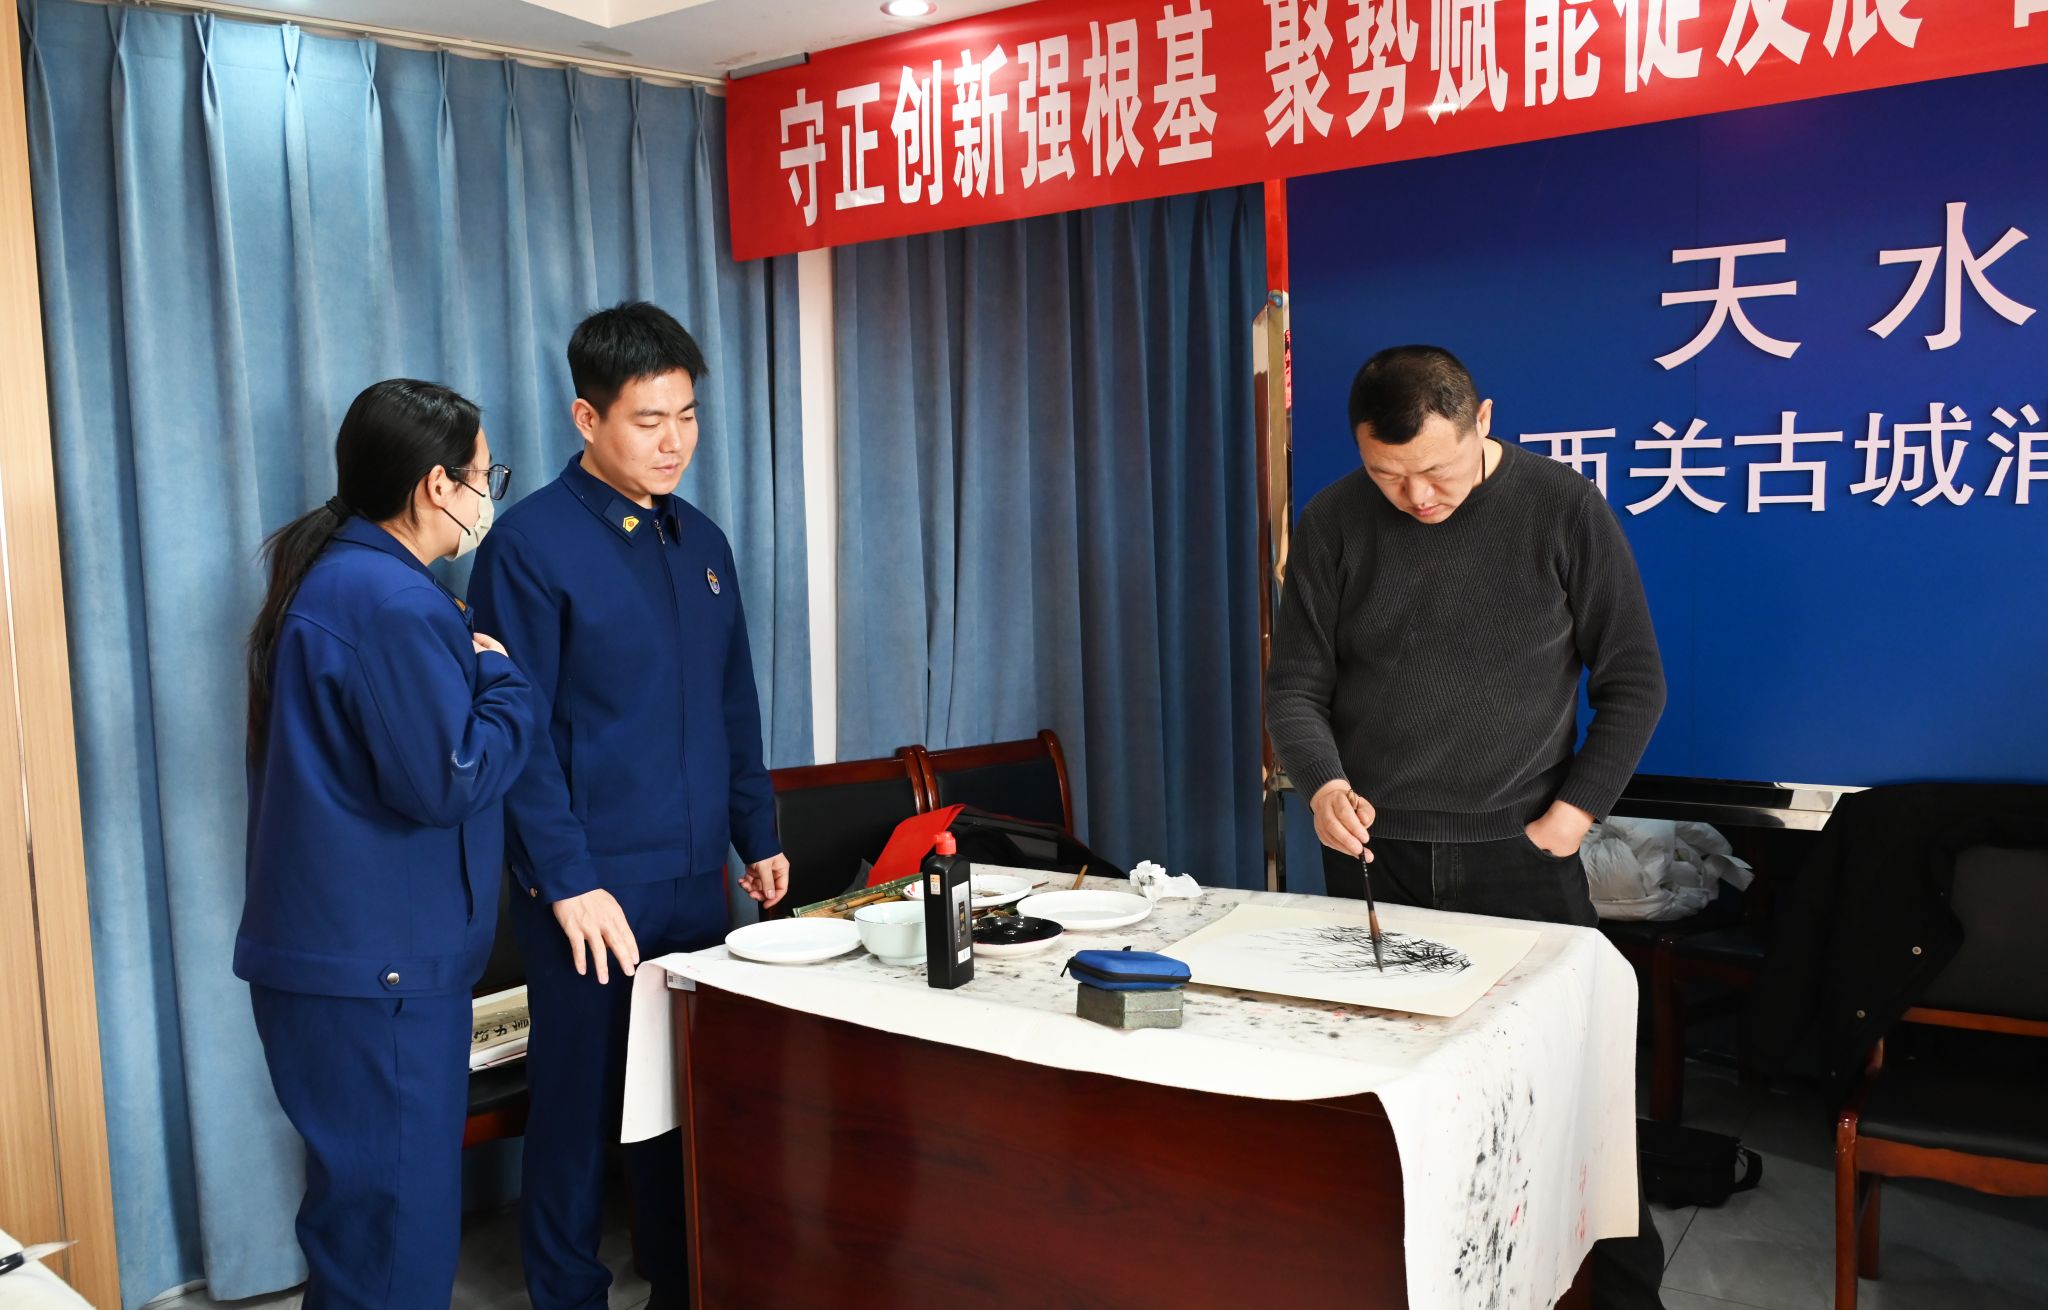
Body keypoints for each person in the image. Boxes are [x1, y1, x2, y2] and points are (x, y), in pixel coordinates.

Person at [1265, 345, 1669, 1308]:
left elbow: (1634, 682)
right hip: (1377, 857)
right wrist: (1322, 785)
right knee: (1392, 1095)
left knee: (1570, 1098)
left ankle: (1616, 1293)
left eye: (1437, 471)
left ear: (1482, 420)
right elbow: (1296, 686)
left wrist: (1569, 820)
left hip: (1520, 857)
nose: (1417, 497)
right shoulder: (1332, 522)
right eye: (1387, 474)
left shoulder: (1562, 508)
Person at [469, 301, 789, 1310]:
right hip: (591, 884)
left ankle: (681, 1280)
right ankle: (568, 1292)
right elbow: (517, 735)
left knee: (680, 1097)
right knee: (580, 1103)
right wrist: (565, 880)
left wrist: (756, 831)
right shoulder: (528, 547)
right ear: (586, 417)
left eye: (686, 416)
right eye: (648, 420)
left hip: (694, 875)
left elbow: (733, 700)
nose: (673, 441)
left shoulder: (703, 541)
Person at [236, 379, 532, 1309]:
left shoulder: (341, 581)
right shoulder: (390, 602)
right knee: (396, 1244)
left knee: (361, 1231)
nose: (488, 494)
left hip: (345, 968)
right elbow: (450, 779)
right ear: (438, 485)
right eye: (486, 475)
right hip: (380, 979)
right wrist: (507, 684)